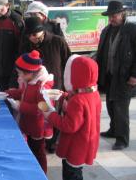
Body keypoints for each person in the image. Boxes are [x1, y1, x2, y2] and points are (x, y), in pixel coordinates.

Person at [43, 55, 101, 180]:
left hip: (76, 145)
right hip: (87, 141)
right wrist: (66, 97)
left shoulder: (77, 100)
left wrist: (50, 115)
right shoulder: (94, 94)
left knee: (72, 174)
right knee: (75, 171)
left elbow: (69, 126)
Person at [19, 17, 71, 153]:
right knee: (38, 113)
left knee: (54, 114)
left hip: (55, 86)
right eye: (29, 35)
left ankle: (52, 143)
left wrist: (68, 86)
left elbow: (68, 63)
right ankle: (39, 140)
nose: (32, 38)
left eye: (34, 35)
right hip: (35, 86)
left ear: (42, 30)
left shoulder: (57, 41)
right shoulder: (26, 45)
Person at [96, 1, 136, 150]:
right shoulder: (106, 30)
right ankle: (113, 130)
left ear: (122, 14)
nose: (111, 18)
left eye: (114, 15)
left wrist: (134, 75)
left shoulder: (131, 29)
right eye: (110, 16)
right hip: (109, 75)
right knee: (111, 105)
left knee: (121, 109)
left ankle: (122, 138)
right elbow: (101, 53)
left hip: (125, 76)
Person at [6, 50, 54, 174]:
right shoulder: (27, 81)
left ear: (30, 73)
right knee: (30, 150)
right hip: (27, 122)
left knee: (38, 152)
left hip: (38, 127)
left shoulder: (42, 87)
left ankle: (42, 174)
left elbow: (42, 108)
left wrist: (21, 106)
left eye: (20, 73)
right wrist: (8, 93)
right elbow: (22, 93)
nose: (19, 76)